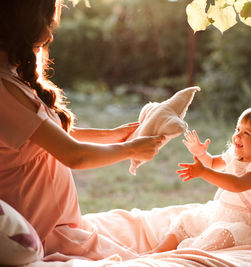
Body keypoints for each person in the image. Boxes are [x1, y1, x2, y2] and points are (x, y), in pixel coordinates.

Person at [0, 0, 165, 260]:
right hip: (45, 233)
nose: (51, 33)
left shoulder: (11, 80)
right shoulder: (4, 91)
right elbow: (74, 155)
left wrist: (113, 135)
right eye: (49, 23)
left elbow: (49, 138)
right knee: (152, 261)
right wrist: (131, 149)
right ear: (25, 24)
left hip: (60, 226)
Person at [152, 105, 251, 252]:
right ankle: (154, 254)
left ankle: (185, 254)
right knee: (187, 220)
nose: (237, 136)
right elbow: (212, 163)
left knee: (222, 234)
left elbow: (238, 184)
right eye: (238, 129)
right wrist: (201, 154)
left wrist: (203, 172)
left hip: (244, 222)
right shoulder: (235, 154)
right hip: (221, 211)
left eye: (247, 133)